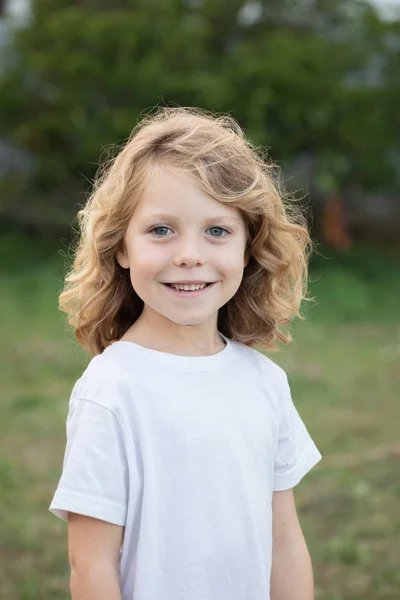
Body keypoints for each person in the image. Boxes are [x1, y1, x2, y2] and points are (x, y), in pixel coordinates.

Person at [49, 106, 322, 600]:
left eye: (217, 230)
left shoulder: (264, 381)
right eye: (161, 230)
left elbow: (284, 541)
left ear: (247, 247)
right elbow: (90, 566)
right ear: (122, 247)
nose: (189, 254)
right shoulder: (112, 389)